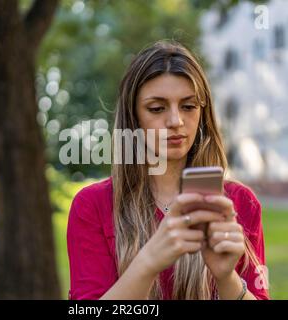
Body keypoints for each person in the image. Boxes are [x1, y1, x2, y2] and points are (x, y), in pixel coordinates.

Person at [67, 40, 269, 300]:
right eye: (157, 108)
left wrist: (227, 278)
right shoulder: (92, 206)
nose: (176, 121)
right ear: (133, 117)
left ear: (202, 112)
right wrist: (149, 261)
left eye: (188, 106)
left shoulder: (240, 203)